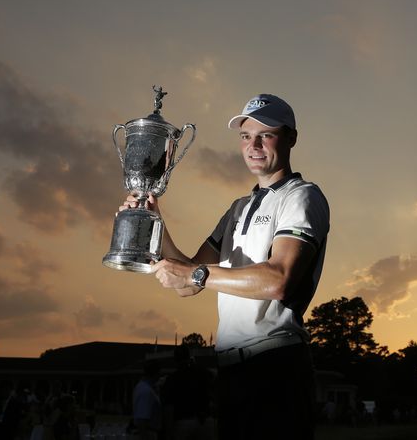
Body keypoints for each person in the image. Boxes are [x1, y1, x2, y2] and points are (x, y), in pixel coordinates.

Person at [119, 93, 330, 440]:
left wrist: (196, 274)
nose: (254, 145)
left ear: (291, 137)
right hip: (232, 373)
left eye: (266, 134)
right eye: (246, 136)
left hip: (275, 368)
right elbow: (188, 282)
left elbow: (278, 281)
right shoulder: (237, 209)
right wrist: (154, 221)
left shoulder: (302, 196)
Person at [132, 359, 162, 440]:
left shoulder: (142, 387)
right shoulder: (146, 391)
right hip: (148, 433)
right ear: (156, 373)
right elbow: (141, 420)